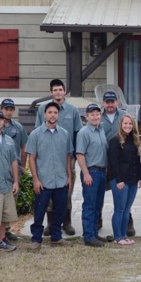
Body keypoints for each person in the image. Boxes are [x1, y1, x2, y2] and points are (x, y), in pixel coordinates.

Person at [35, 79, 83, 236]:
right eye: (55, 90)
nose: (58, 92)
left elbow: (78, 133)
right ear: (51, 92)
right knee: (48, 189)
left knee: (67, 188)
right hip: (47, 158)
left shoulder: (72, 110)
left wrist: (76, 153)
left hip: (67, 157)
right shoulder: (43, 109)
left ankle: (67, 222)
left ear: (64, 92)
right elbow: (37, 132)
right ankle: (50, 223)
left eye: (60, 89)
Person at [26, 102, 73, 252]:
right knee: (40, 211)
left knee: (60, 210)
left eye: (55, 112)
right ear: (44, 115)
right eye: (50, 112)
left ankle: (56, 237)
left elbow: (67, 157)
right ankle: (36, 239)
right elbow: (31, 158)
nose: (53, 115)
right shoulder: (35, 134)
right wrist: (35, 179)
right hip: (43, 181)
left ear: (58, 115)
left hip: (60, 180)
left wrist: (69, 177)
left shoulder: (64, 134)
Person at [99, 91, 135, 235]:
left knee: (124, 194)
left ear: (117, 102)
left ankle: (128, 222)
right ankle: (97, 219)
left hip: (121, 162)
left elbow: (133, 135)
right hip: (102, 159)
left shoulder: (124, 116)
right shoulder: (97, 116)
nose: (110, 104)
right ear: (103, 103)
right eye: (107, 102)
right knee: (99, 192)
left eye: (112, 101)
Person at [108, 114, 141, 246]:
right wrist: (119, 180)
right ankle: (118, 237)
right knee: (120, 208)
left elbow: (138, 160)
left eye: (130, 124)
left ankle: (124, 235)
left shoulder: (134, 140)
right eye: (125, 124)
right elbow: (113, 162)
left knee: (127, 209)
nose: (128, 126)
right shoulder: (115, 141)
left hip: (133, 180)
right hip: (120, 180)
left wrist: (140, 177)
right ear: (121, 125)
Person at [76, 103, 108, 247]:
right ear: (87, 117)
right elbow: (80, 154)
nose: (95, 117)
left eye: (97, 114)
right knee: (89, 205)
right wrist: (86, 173)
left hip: (102, 171)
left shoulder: (100, 129)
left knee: (98, 205)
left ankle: (94, 232)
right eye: (92, 114)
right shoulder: (84, 132)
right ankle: (88, 236)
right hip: (91, 172)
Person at [1, 98, 28, 241]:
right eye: (6, 109)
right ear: (1, 109)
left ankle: (6, 230)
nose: (9, 112)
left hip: (14, 168)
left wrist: (22, 165)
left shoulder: (18, 127)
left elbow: (24, 146)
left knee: (11, 199)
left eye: (11, 109)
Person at [0, 109, 19, 252]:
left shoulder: (9, 140)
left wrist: (16, 181)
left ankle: (1, 241)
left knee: (5, 216)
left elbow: (14, 161)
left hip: (6, 184)